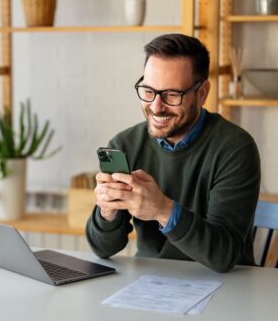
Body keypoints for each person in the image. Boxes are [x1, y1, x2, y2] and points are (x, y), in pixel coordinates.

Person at [85, 34, 261, 273]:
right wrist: (107, 212)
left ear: (202, 93)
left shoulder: (235, 148)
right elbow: (102, 249)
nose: (156, 107)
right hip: (150, 282)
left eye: (171, 95)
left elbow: (224, 255)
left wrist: (162, 210)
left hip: (226, 287)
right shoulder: (124, 144)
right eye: (148, 91)